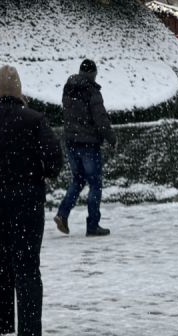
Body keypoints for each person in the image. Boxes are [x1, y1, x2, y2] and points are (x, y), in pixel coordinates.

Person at [0, 66, 61, 336]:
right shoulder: (34, 120)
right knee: (28, 269)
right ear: (19, 91)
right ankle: (29, 330)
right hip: (27, 206)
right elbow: (54, 161)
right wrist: (36, 173)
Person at [54, 58, 113, 237]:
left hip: (71, 142)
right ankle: (93, 225)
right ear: (93, 74)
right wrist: (111, 138)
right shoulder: (92, 91)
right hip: (89, 144)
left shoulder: (69, 88)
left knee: (78, 180)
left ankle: (62, 214)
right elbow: (101, 119)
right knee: (95, 184)